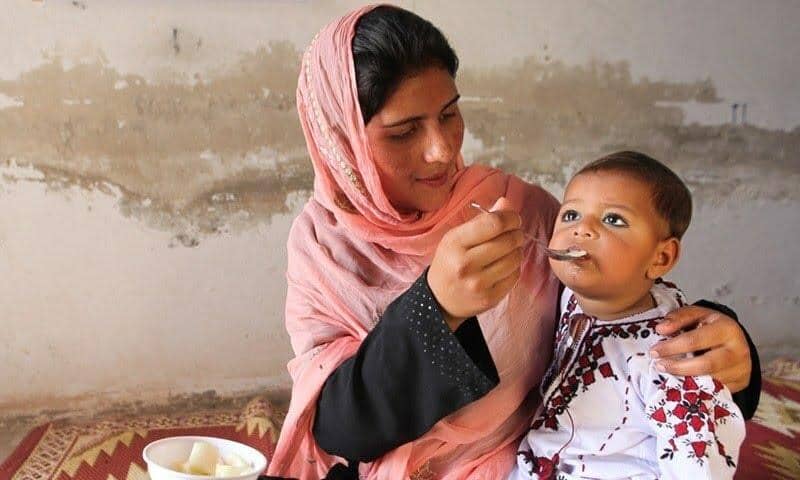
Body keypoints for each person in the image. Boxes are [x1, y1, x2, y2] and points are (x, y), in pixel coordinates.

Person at [266, 5, 760, 479]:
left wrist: (730, 348)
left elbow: (627, 309)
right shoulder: (322, 249)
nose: (441, 150)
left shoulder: (514, 208)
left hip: (534, 460)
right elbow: (339, 430)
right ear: (342, 139)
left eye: (450, 114)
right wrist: (436, 308)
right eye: (403, 132)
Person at [509, 151, 745, 480]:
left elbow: (698, 458)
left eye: (613, 220)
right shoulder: (570, 298)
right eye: (571, 214)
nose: (582, 229)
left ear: (661, 258)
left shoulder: (667, 358)